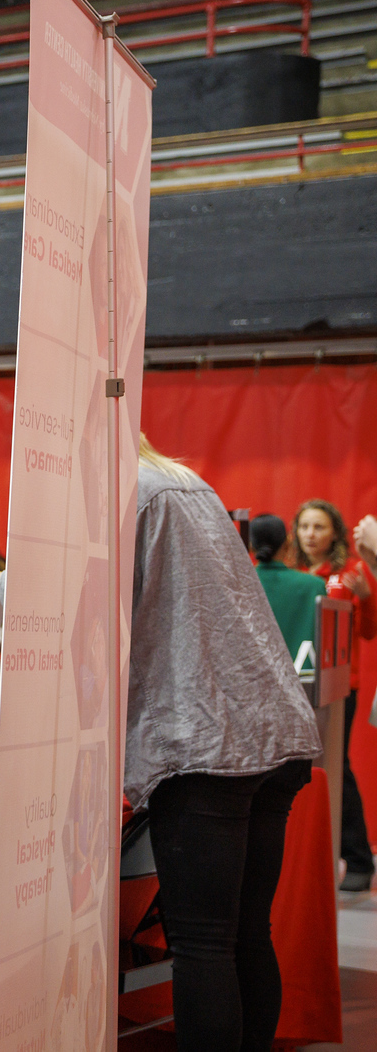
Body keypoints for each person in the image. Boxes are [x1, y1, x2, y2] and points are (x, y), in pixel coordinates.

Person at [129, 438, 321, 1051]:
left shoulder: (123, 492)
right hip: (266, 723)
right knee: (242, 935)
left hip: (207, 737)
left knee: (204, 943)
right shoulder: (183, 481)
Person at [291, 498, 377, 892]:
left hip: (340, 690)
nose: (311, 534)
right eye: (305, 526)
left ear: (334, 533)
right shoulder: (287, 573)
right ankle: (306, 857)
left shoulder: (352, 574)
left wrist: (367, 597)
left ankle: (358, 861)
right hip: (294, 686)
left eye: (319, 527)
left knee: (335, 769)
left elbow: (369, 632)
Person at [250, 514, 326, 674]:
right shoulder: (314, 586)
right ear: (288, 542)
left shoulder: (237, 585)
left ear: (251, 545)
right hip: (303, 687)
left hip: (250, 686)